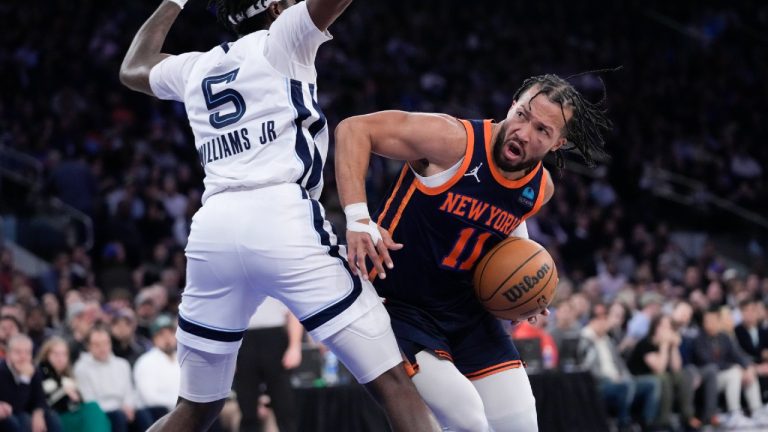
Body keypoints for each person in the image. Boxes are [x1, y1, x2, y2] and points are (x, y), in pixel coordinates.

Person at [119, 0, 436, 431]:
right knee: (393, 381)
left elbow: (133, 67)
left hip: (214, 229)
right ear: (274, 8)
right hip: (281, 217)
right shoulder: (284, 36)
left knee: (195, 409)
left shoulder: (196, 66)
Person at [334, 73, 611, 431]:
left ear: (558, 143)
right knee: (467, 417)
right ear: (512, 105)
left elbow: (510, 226)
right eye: (523, 115)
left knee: (522, 422)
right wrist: (358, 219)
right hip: (401, 305)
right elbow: (354, 129)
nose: (524, 132)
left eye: (543, 131)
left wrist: (529, 289)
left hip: (467, 312)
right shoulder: (452, 141)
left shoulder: (539, 188)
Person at [579, 303, 660, 431]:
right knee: (626, 385)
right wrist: (612, 379)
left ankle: (646, 423)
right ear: (594, 321)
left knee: (652, 383)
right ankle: (624, 423)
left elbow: (620, 364)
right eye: (603, 320)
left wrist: (625, 376)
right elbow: (588, 369)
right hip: (601, 383)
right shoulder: (585, 339)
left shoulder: (607, 340)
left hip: (619, 379)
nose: (606, 324)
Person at [233, 297, 301, 432]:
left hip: (275, 338)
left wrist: (295, 346)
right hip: (242, 337)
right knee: (247, 408)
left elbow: (294, 309)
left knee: (285, 406)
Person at [626, 314, 700, 429]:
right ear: (655, 327)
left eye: (669, 327)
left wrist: (674, 347)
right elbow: (659, 368)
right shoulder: (645, 343)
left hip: (661, 376)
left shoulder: (668, 343)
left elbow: (676, 368)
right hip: (641, 378)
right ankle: (663, 421)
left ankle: (687, 416)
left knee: (684, 375)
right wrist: (664, 345)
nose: (667, 331)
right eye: (664, 327)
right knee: (664, 378)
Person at [73, 327, 152, 432]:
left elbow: (129, 392)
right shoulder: (81, 368)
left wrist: (128, 406)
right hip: (102, 412)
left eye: (106, 343)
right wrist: (120, 408)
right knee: (118, 416)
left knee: (143, 414)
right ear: (88, 346)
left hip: (123, 409)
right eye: (97, 344)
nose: (102, 348)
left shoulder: (122, 364)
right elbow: (90, 400)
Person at [36, 337, 111, 432]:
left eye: (64, 354)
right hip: (54, 417)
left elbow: (78, 402)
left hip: (71, 415)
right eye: (56, 354)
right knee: (92, 411)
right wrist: (63, 392)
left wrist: (76, 397)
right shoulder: (39, 374)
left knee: (93, 409)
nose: (60, 358)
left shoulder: (68, 376)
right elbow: (41, 401)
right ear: (46, 355)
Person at [0, 334, 62, 432]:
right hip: (9, 416)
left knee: (51, 417)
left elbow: (40, 399)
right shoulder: (2, 370)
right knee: (23, 419)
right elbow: (15, 406)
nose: (23, 357)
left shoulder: (34, 370)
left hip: (26, 412)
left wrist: (38, 413)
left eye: (27, 352)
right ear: (8, 354)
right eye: (18, 352)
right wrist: (25, 379)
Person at [133, 315, 180, 423]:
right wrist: (180, 407)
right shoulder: (145, 362)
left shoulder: (182, 359)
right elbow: (150, 398)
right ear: (154, 339)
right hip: (157, 415)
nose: (167, 338)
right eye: (161, 335)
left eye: (170, 333)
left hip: (182, 412)